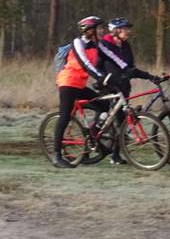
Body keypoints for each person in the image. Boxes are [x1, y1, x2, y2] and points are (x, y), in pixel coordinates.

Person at [51, 16, 129, 168]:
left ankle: (93, 136)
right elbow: (85, 63)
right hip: (67, 83)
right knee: (65, 116)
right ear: (89, 30)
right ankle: (57, 156)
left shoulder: (97, 44)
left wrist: (126, 70)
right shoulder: (77, 43)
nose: (102, 31)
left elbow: (112, 57)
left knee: (105, 107)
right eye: (99, 28)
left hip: (80, 85)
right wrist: (102, 77)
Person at [99, 17, 161, 164]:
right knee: (109, 118)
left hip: (124, 87)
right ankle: (95, 135)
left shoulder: (126, 46)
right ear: (116, 30)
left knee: (121, 122)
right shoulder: (104, 44)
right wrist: (111, 77)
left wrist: (150, 77)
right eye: (125, 29)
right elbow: (102, 65)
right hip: (110, 86)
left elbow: (131, 69)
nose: (128, 32)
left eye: (128, 29)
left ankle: (115, 155)